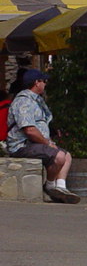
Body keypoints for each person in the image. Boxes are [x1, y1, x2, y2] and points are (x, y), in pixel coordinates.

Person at [5, 69, 79, 203]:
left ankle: (61, 188)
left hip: (37, 144)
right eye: (44, 81)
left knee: (66, 156)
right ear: (36, 83)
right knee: (59, 156)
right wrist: (47, 143)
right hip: (23, 146)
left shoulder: (37, 100)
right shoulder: (24, 101)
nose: (45, 84)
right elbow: (29, 130)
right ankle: (50, 187)